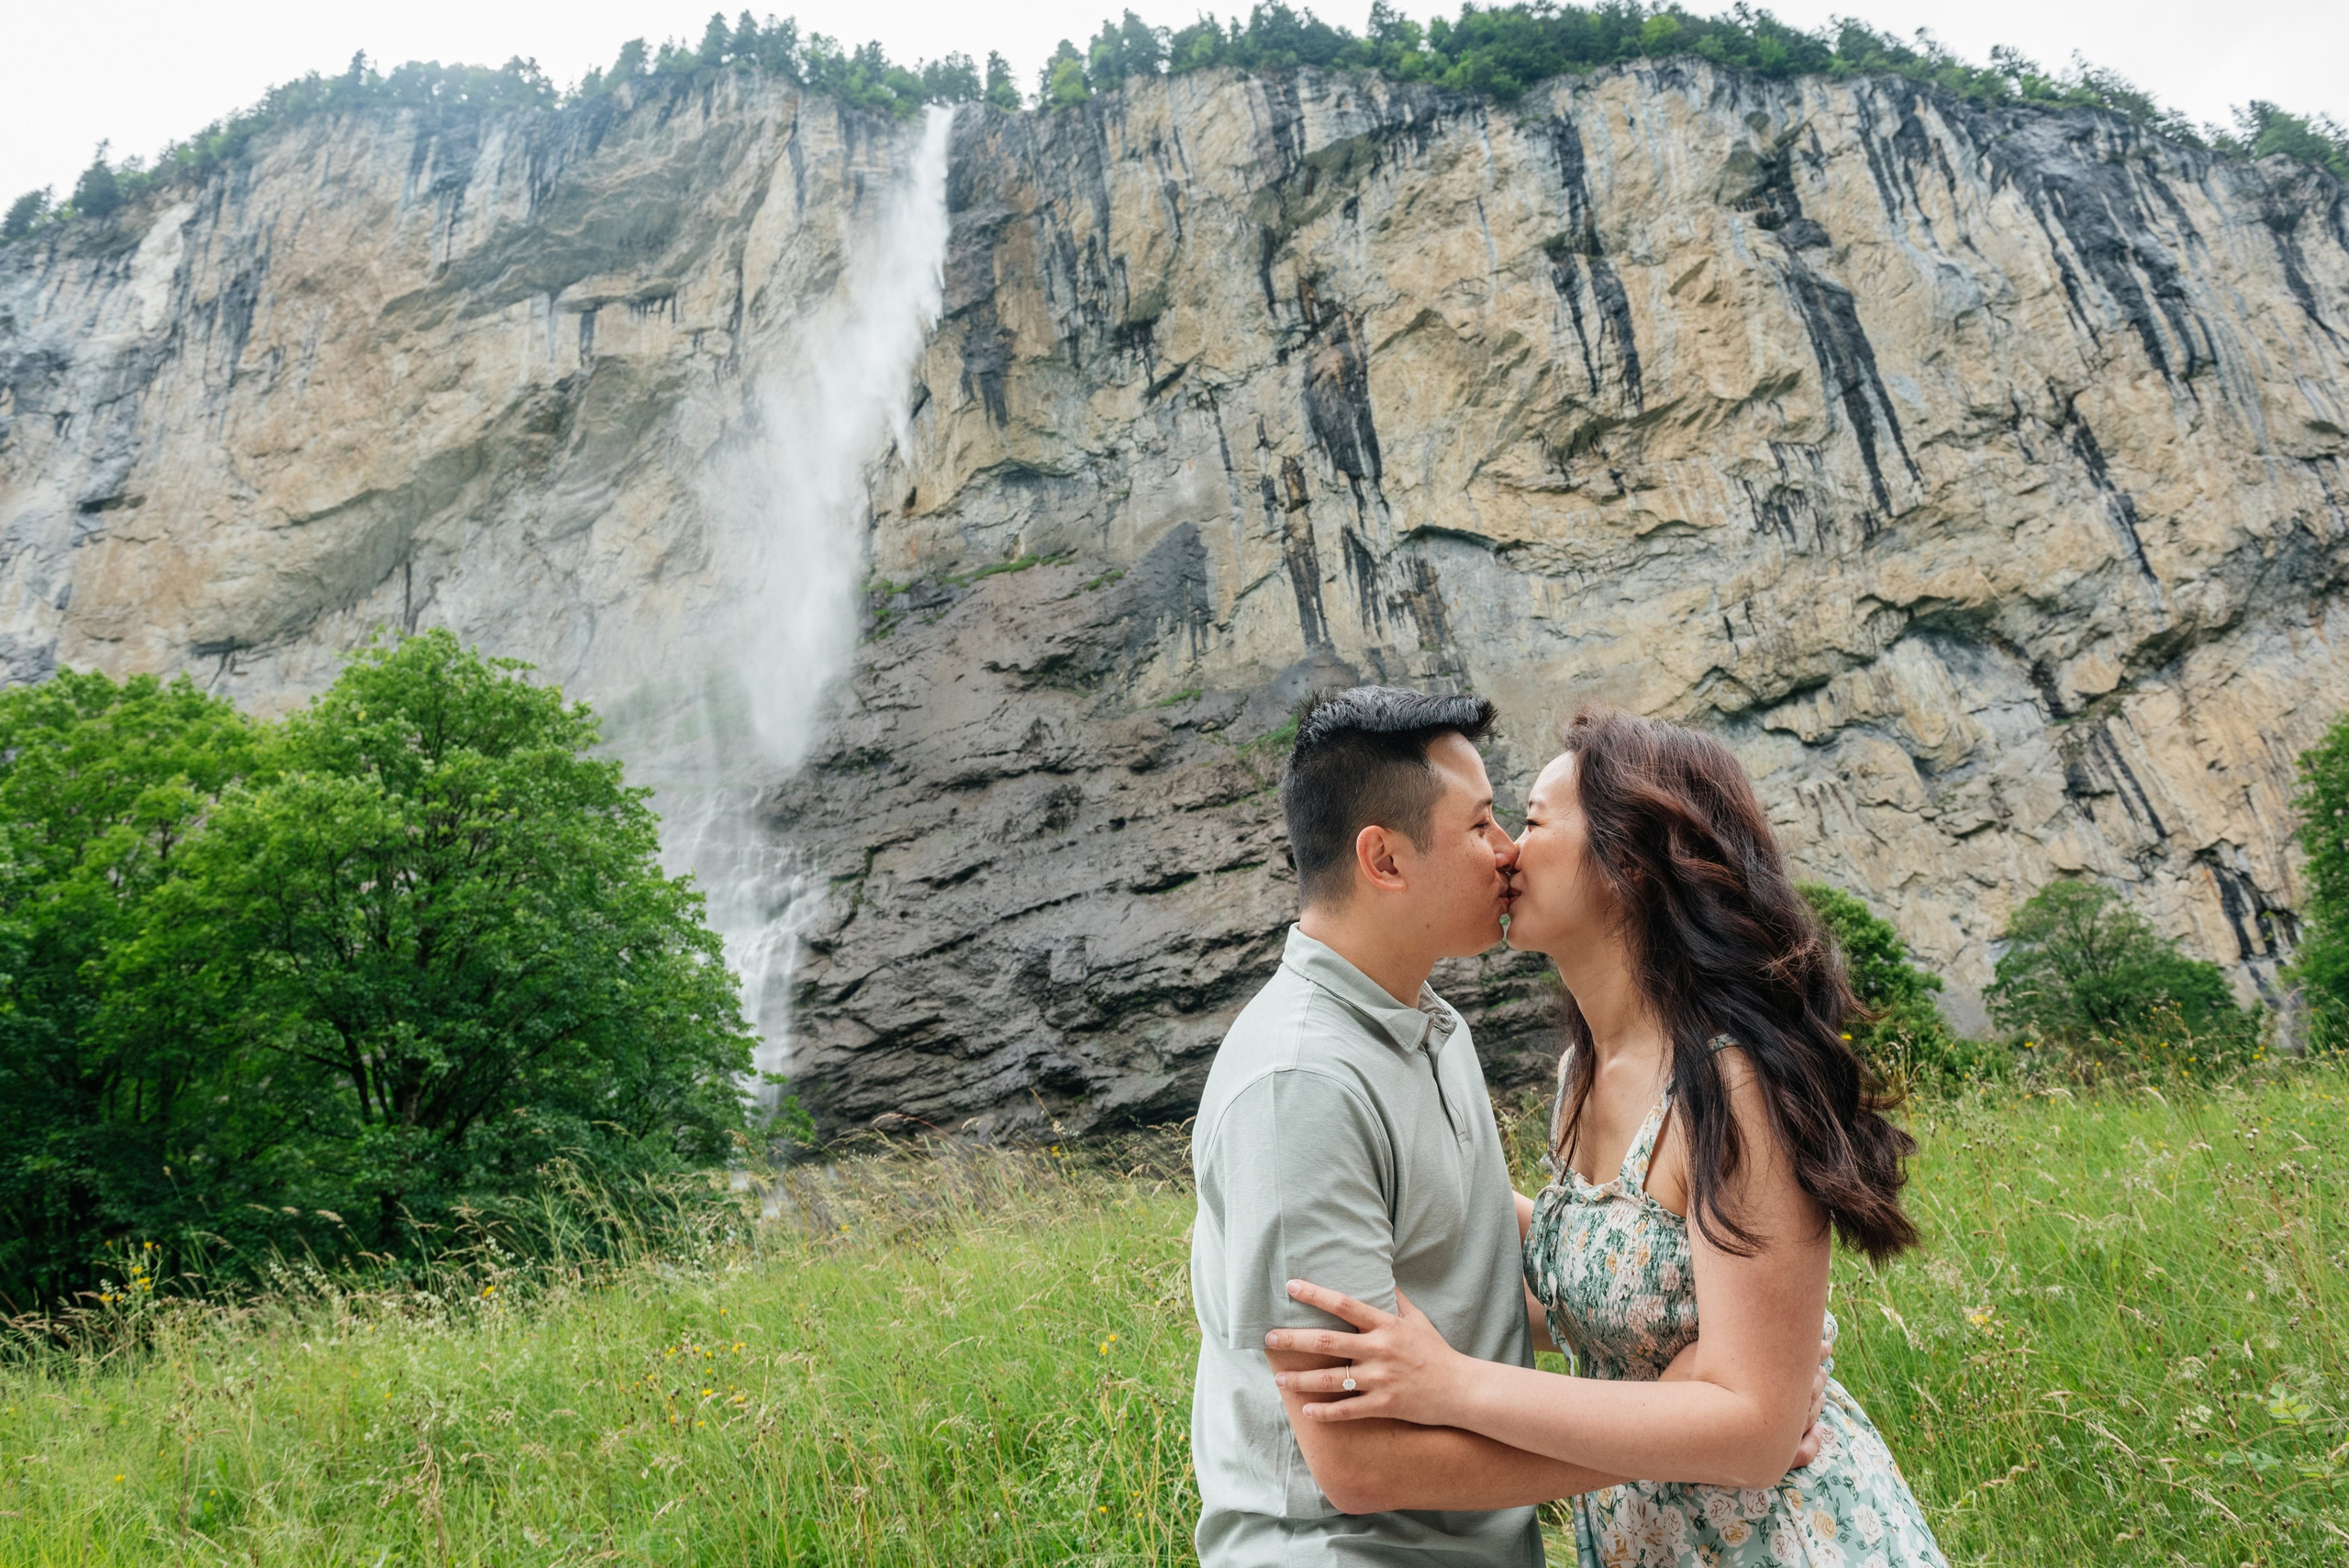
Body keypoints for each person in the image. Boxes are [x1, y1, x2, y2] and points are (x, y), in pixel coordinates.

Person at [1275, 707, 1949, 1567]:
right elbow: (1592, 1273)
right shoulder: (1583, 1073)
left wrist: (1457, 1386)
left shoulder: (1727, 1085)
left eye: (1527, 822)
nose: (1505, 851)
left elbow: (1755, 1426)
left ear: (1626, 861)